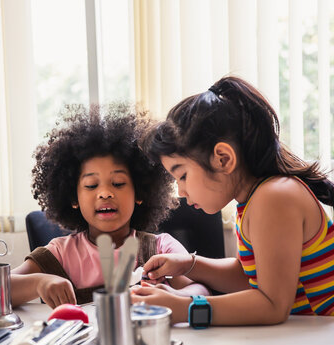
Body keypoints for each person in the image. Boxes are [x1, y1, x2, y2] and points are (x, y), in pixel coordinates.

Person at [132, 76, 334, 325]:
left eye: (182, 175)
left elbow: (272, 305)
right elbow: (251, 277)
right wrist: (188, 265)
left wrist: (183, 308)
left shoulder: (275, 198)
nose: (181, 192)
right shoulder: (253, 199)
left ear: (223, 159)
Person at [11, 103, 209, 309]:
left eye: (118, 183)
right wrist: (39, 282)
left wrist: (173, 296)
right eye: (91, 185)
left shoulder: (161, 249)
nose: (105, 193)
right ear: (73, 198)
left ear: (140, 193)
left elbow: (201, 289)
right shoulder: (59, 254)